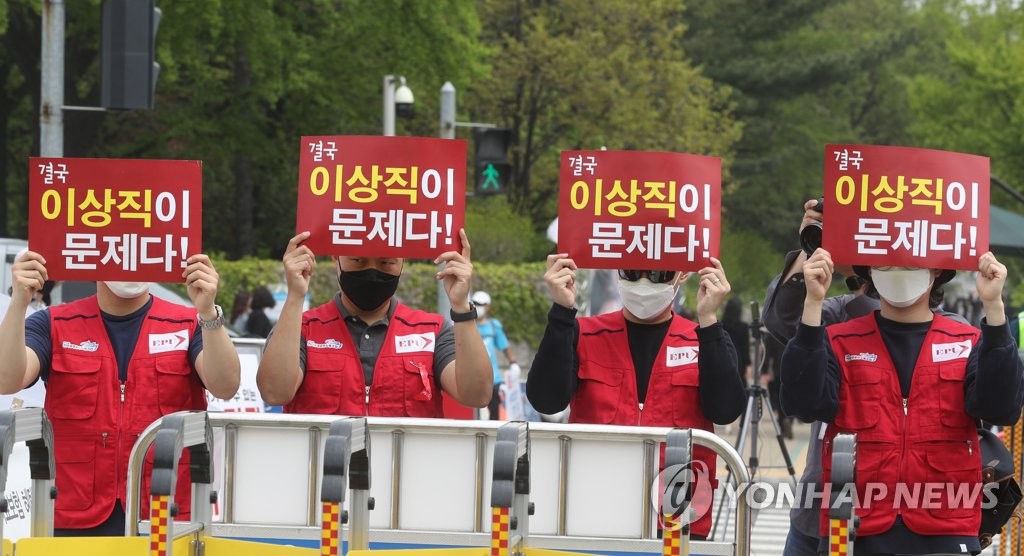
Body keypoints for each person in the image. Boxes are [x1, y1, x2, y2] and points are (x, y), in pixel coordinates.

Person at [781, 248, 1024, 555]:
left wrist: (994, 307)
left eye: (911, 261)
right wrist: (812, 304)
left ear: (936, 270)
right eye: (885, 260)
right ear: (869, 270)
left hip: (947, 528)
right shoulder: (837, 340)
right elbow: (803, 404)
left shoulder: (967, 341)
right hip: (850, 529)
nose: (897, 269)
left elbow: (1001, 407)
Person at [0, 251, 241, 536]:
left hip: (164, 512)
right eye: (120, 248)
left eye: (138, 249)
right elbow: (7, 380)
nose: (130, 261)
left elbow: (225, 386)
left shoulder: (189, 324)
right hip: (73, 514)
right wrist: (19, 302)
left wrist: (208, 313)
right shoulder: (54, 323)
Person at [526, 253, 746, 539]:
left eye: (658, 274)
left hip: (679, 514)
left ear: (683, 275)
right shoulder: (584, 334)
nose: (643, 283)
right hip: (595, 510)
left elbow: (726, 410)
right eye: (632, 271)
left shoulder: (704, 339)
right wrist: (561, 312)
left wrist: (708, 320)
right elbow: (545, 400)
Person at [255, 229, 493, 416]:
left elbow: (476, 394)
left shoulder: (432, 331)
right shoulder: (303, 329)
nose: (371, 271)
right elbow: (275, 392)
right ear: (335, 257)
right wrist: (295, 296)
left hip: (405, 475)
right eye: (357, 261)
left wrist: (461, 306)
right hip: (323, 473)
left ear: (402, 262)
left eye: (386, 263)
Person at [470, 290, 519, 420]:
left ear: (488, 306)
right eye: (475, 303)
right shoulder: (467, 325)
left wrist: (513, 363)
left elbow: (504, 346)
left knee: (494, 413)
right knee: (474, 416)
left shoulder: (493, 326)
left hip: (493, 378)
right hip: (472, 378)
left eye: (481, 304)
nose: (478, 307)